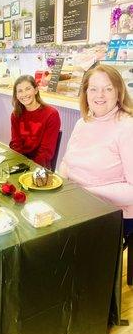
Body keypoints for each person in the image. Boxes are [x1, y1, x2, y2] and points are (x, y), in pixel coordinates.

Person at [59, 64, 133, 237]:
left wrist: (84, 192)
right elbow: (65, 163)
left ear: (119, 92)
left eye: (108, 89)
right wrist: (60, 188)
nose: (99, 95)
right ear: (85, 93)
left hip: (112, 214)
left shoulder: (127, 127)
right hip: (76, 204)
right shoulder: (82, 122)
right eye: (93, 89)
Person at [10, 75, 61, 169]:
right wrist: (19, 165)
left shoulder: (51, 114)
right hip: (20, 164)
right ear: (16, 95)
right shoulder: (15, 114)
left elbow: (46, 152)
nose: (24, 94)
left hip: (39, 167)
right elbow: (16, 144)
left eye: (28, 89)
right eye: (20, 91)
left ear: (36, 90)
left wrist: (30, 168)